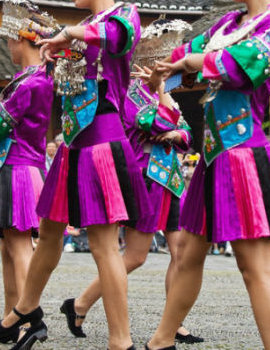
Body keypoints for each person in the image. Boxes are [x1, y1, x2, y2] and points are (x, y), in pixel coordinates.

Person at [146, 0, 270, 350]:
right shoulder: (226, 25)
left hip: (242, 155)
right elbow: (182, 55)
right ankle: (161, 341)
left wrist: (192, 62)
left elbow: (242, 66)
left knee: (254, 269)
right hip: (214, 158)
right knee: (187, 254)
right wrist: (159, 67)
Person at [0, 0, 150, 350]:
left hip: (101, 143)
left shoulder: (124, 15)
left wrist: (69, 35)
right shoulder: (81, 28)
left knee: (102, 244)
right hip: (73, 146)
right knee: (49, 232)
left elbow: (114, 36)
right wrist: (59, 44)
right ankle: (25, 308)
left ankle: (121, 340)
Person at [62, 19, 201, 344]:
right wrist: (166, 108)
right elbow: (157, 123)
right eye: (162, 63)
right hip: (146, 177)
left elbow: (186, 134)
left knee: (181, 252)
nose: (167, 69)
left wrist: (174, 127)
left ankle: (173, 324)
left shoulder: (163, 96)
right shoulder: (132, 94)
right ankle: (80, 302)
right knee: (135, 256)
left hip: (171, 180)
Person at [0, 0, 57, 344]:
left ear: (23, 39)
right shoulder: (30, 78)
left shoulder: (30, 82)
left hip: (19, 166)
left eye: (10, 39)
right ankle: (12, 317)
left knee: (20, 245)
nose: (8, 46)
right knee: (10, 247)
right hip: (22, 165)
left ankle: (30, 316)